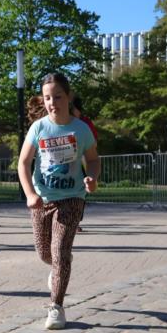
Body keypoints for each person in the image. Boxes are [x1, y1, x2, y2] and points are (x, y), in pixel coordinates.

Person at [18, 72, 99, 330]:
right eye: (47, 98)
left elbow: (94, 160)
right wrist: (31, 194)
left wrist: (92, 178)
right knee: (45, 254)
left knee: (60, 251)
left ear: (69, 96)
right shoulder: (39, 127)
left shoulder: (81, 129)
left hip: (72, 198)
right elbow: (23, 163)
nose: (52, 102)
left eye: (58, 97)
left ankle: (56, 307)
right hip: (42, 200)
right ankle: (59, 267)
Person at [71, 96, 99, 233]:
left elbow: (94, 144)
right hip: (65, 164)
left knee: (80, 193)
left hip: (81, 160)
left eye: (73, 109)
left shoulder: (85, 123)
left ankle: (75, 222)